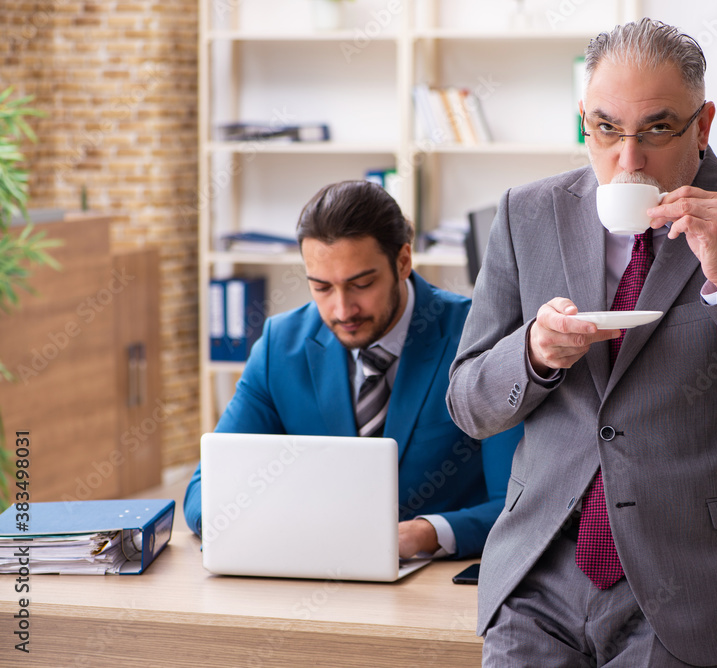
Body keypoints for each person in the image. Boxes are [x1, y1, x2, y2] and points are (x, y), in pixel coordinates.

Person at [446, 19, 717, 668]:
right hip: (537, 580)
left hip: (695, 584)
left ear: (703, 124)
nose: (629, 159)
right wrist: (532, 354)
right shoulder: (526, 213)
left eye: (658, 128)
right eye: (606, 128)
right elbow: (469, 404)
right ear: (583, 119)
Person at [184, 180, 522, 560]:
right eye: (322, 288)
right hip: (314, 567)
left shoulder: (479, 340)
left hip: (436, 579)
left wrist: (427, 533)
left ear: (403, 261)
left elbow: (518, 505)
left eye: (361, 284)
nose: (343, 310)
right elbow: (204, 494)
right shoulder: (280, 346)